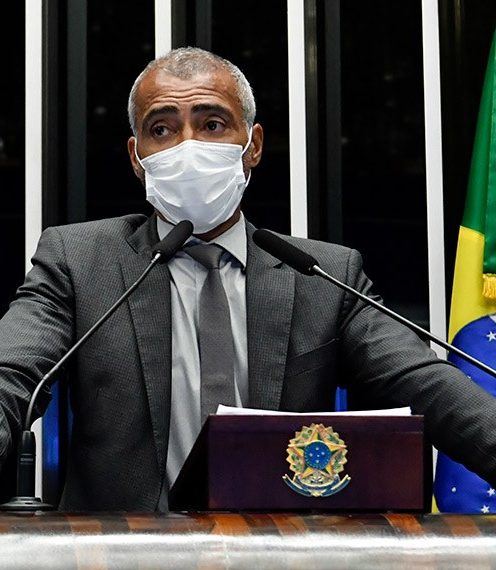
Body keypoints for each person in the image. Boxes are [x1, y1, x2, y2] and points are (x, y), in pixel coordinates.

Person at [0, 47, 496, 512]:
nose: (188, 146)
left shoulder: (322, 275)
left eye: (212, 124)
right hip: (119, 549)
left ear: (252, 145)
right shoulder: (81, 261)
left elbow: (430, 387)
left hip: (275, 546)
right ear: (137, 157)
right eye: (162, 129)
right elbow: (11, 375)